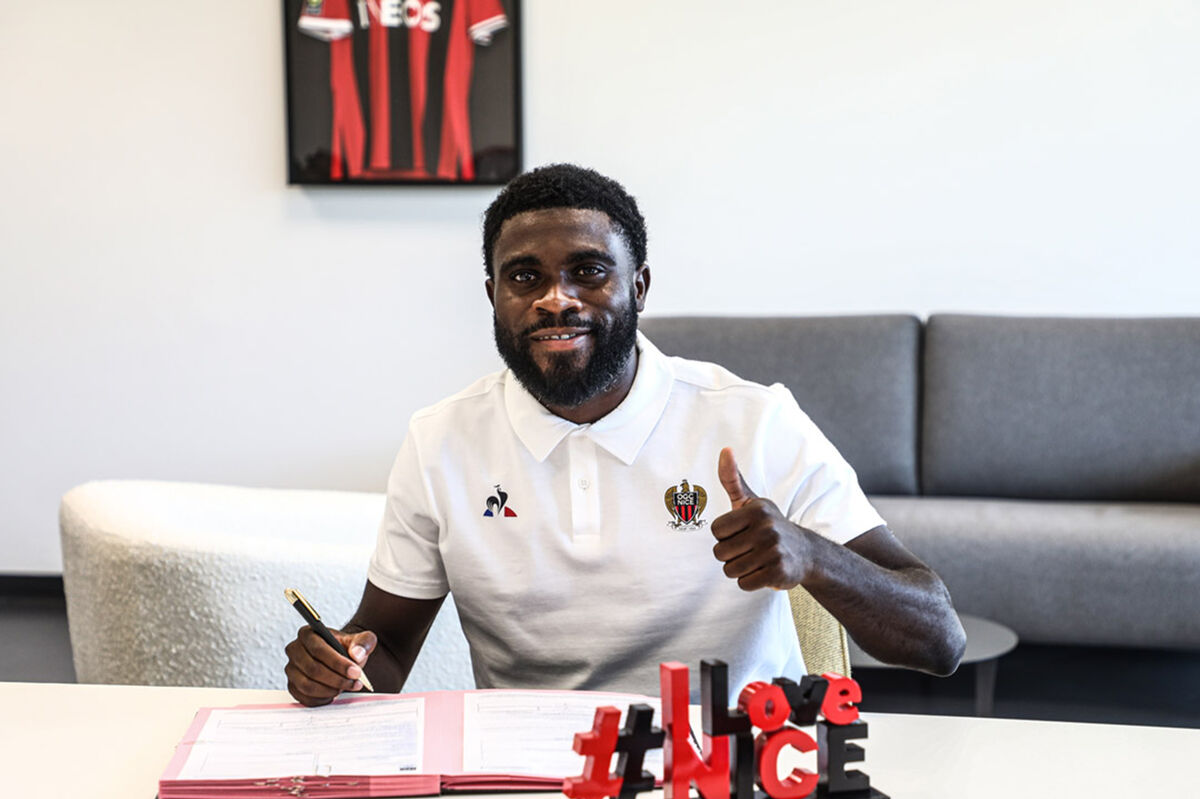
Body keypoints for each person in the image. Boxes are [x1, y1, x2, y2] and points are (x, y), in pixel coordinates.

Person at [284, 164, 966, 706]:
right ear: (492, 296)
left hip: (728, 766)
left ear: (639, 287)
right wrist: (337, 669)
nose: (556, 298)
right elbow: (385, 653)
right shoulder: (441, 440)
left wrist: (813, 556)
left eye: (588, 271)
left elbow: (938, 640)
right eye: (525, 276)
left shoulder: (755, 421)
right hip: (530, 776)